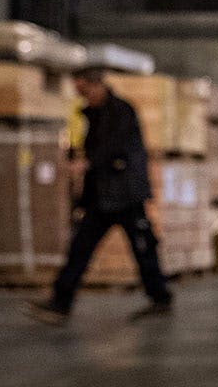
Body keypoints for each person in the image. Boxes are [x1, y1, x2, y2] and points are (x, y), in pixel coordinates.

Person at [26, 68, 172, 324]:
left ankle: (160, 298)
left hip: (126, 195)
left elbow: (113, 147)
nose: (82, 97)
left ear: (97, 86)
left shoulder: (120, 111)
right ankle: (60, 302)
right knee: (80, 248)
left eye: (84, 91)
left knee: (143, 248)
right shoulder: (89, 114)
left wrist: (87, 163)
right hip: (100, 198)